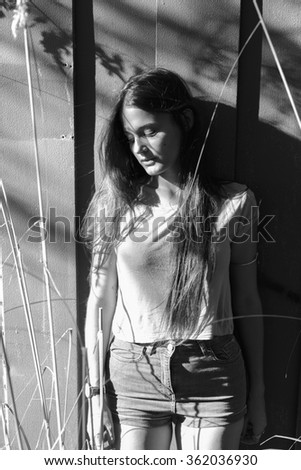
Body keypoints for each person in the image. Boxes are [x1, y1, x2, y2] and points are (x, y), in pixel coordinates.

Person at [84, 68, 266, 450]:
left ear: (184, 121)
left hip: (213, 371)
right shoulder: (115, 204)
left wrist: (260, 396)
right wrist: (96, 392)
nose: (139, 148)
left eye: (150, 131)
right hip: (134, 372)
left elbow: (248, 300)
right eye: (131, 137)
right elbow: (100, 299)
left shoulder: (233, 204)